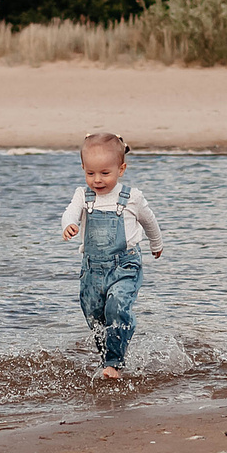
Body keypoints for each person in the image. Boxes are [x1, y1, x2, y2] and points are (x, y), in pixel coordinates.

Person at [58, 132, 163, 380]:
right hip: (92, 270)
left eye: (105, 173)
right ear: (83, 168)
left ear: (121, 168)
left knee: (117, 305)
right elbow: (69, 213)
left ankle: (114, 363)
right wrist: (69, 225)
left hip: (125, 265)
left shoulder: (132, 197)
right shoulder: (82, 196)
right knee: (94, 316)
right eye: (90, 173)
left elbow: (149, 221)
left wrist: (156, 243)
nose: (97, 180)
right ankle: (108, 357)